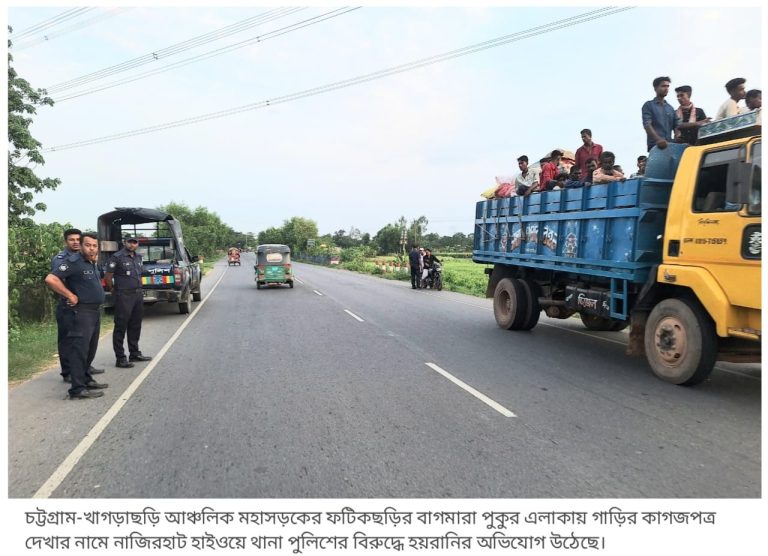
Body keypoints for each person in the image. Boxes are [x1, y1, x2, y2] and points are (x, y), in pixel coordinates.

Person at [44, 233, 109, 399]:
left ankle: (86, 379)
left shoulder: (92, 262)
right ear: (81, 246)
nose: (92, 248)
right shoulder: (74, 262)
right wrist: (69, 295)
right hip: (81, 313)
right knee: (79, 351)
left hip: (94, 312)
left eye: (95, 246)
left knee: (89, 350)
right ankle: (77, 389)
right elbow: (51, 279)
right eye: (88, 245)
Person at [104, 234, 152, 368]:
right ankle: (120, 358)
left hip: (137, 294)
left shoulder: (138, 257)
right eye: (130, 242)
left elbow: (140, 274)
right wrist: (113, 289)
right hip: (123, 295)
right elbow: (108, 276)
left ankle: (134, 353)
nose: (132, 244)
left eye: (135, 242)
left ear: (137, 244)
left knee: (135, 325)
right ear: (125, 242)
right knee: (121, 326)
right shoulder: (117, 257)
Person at [642, 76, 678, 151]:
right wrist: (658, 140)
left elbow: (676, 126)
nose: (666, 89)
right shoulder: (648, 105)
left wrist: (677, 139)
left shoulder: (670, 108)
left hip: (670, 146)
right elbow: (647, 124)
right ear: (655, 88)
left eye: (668, 86)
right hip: (655, 147)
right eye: (663, 86)